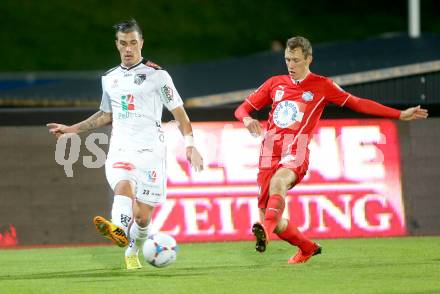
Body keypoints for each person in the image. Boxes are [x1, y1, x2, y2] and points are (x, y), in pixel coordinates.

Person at [234, 36, 428, 264]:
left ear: (309, 59)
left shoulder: (322, 85)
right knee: (274, 220)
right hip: (268, 152)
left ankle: (264, 232)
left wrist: (399, 114)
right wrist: (246, 119)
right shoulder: (275, 83)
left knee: (278, 186)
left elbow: (358, 103)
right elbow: (242, 109)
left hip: (296, 150)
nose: (291, 65)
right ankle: (307, 248)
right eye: (287, 60)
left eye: (296, 60)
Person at [47, 19, 203, 270]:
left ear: (141, 43)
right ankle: (118, 229)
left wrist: (191, 144)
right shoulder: (109, 78)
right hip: (121, 148)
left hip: (151, 152)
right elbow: (106, 114)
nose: (128, 48)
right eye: (123, 43)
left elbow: (180, 114)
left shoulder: (158, 76)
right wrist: (72, 130)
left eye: (133, 43)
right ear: (116, 45)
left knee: (142, 219)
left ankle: (133, 249)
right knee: (123, 184)